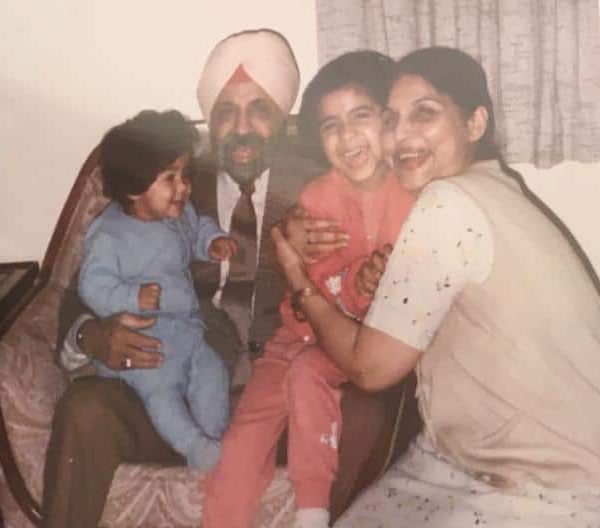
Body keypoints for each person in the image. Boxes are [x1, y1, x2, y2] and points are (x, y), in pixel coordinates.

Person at [271, 47, 600, 527]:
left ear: (475, 124)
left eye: (426, 114)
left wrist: (300, 282)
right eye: (392, 119)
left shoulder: (448, 204)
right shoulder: (482, 188)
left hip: (580, 483)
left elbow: (370, 368)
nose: (403, 136)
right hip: (461, 462)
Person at [42, 30, 391, 528]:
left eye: (259, 110)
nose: (241, 128)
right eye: (226, 111)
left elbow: (371, 262)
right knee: (85, 408)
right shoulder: (170, 182)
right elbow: (80, 286)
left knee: (366, 411)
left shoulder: (322, 184)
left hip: (287, 400)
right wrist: (91, 336)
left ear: (285, 122)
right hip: (174, 390)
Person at [203, 51, 414, 528]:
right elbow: (310, 280)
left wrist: (365, 289)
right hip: (294, 338)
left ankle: (313, 512)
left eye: (360, 117)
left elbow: (409, 299)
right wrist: (348, 280)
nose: (346, 137)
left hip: (357, 345)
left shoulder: (412, 200)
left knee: (307, 376)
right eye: (330, 125)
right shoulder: (317, 197)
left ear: (388, 121)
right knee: (237, 447)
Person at [79, 109, 238, 471]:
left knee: (212, 373)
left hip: (186, 329)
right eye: (170, 177)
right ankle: (192, 444)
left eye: (185, 174)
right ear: (134, 187)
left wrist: (210, 242)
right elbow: (93, 284)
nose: (184, 187)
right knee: (161, 390)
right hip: (144, 338)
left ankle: (215, 439)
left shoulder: (177, 214)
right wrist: (130, 297)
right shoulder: (110, 233)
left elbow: (197, 230)